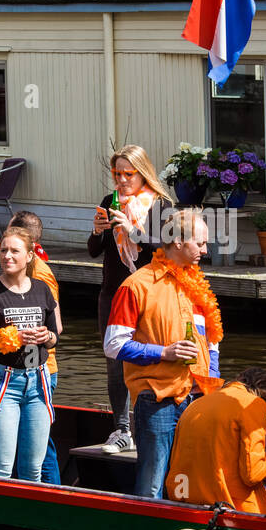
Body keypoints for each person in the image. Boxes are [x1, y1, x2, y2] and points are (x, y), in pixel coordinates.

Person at [104, 208, 221, 499]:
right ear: (179, 242)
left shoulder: (197, 285)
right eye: (201, 243)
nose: (205, 251)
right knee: (153, 482)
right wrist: (164, 352)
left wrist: (214, 383)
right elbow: (113, 345)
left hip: (198, 398)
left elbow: (212, 341)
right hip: (157, 399)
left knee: (192, 479)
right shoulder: (136, 285)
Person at [88, 144, 171, 454]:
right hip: (113, 292)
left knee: (150, 357)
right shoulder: (109, 202)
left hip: (149, 294)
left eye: (128, 174)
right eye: (116, 173)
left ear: (142, 174)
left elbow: (164, 251)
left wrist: (133, 232)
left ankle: (147, 426)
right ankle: (121, 428)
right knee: (115, 362)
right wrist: (98, 232)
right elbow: (95, 251)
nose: (121, 180)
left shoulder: (160, 205)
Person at [0, 225, 59, 481]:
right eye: (3, 250)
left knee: (33, 470)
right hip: (3, 383)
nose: (7, 256)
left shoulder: (42, 289)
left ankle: (30, 520)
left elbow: (54, 337)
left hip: (38, 382)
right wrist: (7, 339)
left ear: (29, 256)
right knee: (3, 469)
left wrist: (47, 337)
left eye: (14, 251)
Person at [166, 367, 266, 515]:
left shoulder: (197, 403)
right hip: (227, 503)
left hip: (183, 495)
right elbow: (253, 475)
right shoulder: (254, 405)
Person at [9, 209, 64, 484]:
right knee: (24, 438)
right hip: (22, 368)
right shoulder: (24, 271)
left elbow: (57, 327)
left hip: (39, 368)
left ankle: (52, 494)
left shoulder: (40, 274)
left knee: (40, 442)